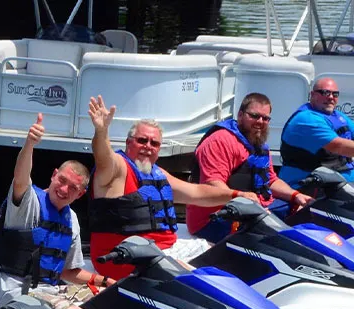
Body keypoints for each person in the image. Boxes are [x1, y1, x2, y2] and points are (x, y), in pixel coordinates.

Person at [87, 95, 259, 280]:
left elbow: (197, 193)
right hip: (125, 257)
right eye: (142, 140)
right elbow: (104, 158)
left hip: (165, 249)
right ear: (129, 143)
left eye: (154, 143)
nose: (148, 147)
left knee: (224, 258)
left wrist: (236, 195)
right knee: (202, 279)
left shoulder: (157, 173)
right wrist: (102, 131)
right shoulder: (118, 168)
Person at [0, 112, 115, 309]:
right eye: (62, 180)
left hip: (49, 289)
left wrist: (104, 281)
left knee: (108, 302)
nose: (64, 189)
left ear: (80, 194)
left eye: (73, 188)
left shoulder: (72, 220)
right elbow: (21, 177)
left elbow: (68, 272)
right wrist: (30, 143)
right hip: (15, 293)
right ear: (54, 175)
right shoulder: (29, 202)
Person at [188, 92, 313, 243]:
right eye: (254, 116)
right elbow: (214, 184)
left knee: (305, 213)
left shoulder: (258, 142)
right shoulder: (220, 141)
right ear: (240, 115)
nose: (260, 121)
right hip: (216, 218)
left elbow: (271, 180)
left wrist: (296, 196)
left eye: (265, 118)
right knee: (282, 241)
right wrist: (250, 207)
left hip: (256, 208)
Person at [279, 77, 354, 187]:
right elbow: (338, 146)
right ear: (312, 94)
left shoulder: (337, 116)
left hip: (340, 182)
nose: (331, 97)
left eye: (335, 94)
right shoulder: (306, 120)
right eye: (325, 92)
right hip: (310, 187)